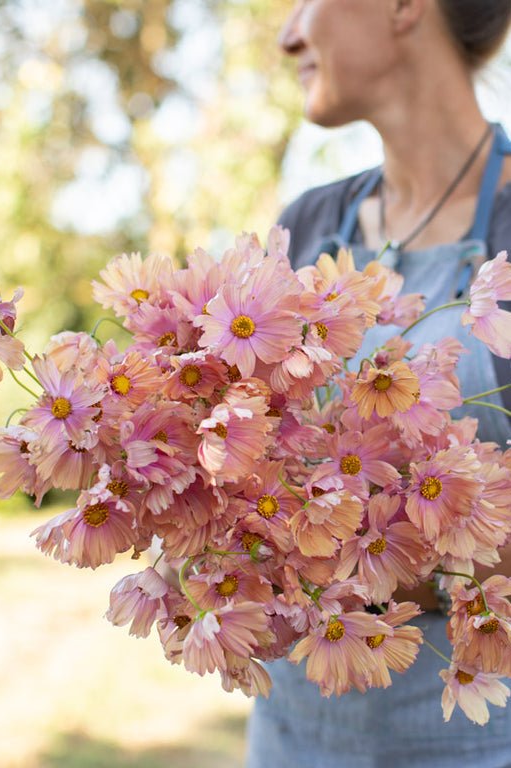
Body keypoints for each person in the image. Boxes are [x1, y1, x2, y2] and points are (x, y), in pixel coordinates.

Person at [246, 1, 511, 766]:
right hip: (294, 733)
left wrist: (369, 560)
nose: (287, 32)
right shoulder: (308, 224)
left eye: (306, 0)